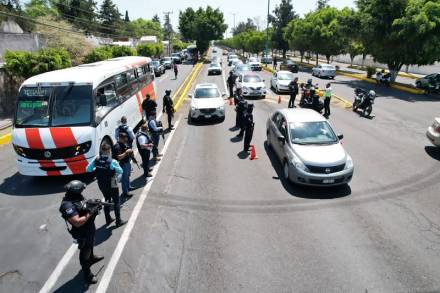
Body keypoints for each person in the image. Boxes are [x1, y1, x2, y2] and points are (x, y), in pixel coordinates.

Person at [59, 180, 103, 284]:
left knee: (91, 243)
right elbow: (77, 222)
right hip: (82, 232)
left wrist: (94, 205)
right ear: (75, 191)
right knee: (85, 252)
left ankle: (91, 258)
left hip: (89, 228)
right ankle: (87, 275)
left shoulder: (77, 197)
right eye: (81, 190)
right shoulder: (67, 205)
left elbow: (83, 205)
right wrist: (91, 212)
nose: (82, 191)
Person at [86, 144, 126, 227]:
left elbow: (88, 169)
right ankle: (118, 221)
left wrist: (97, 169)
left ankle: (108, 219)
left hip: (101, 183)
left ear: (101, 151)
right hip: (112, 183)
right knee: (116, 201)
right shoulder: (113, 161)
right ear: (109, 151)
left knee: (107, 200)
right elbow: (121, 171)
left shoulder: (96, 159)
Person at [113, 133, 133, 198]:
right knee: (124, 178)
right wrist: (126, 152)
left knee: (127, 176)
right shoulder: (117, 146)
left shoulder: (124, 143)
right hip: (123, 164)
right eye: (124, 138)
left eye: (126, 138)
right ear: (120, 138)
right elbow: (119, 157)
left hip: (127, 162)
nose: (126, 139)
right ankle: (125, 192)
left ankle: (128, 187)